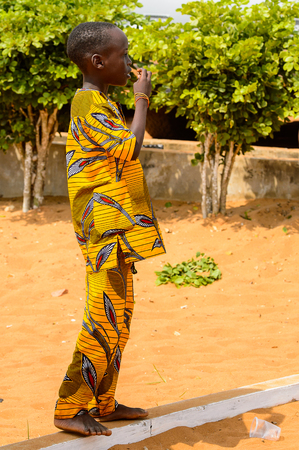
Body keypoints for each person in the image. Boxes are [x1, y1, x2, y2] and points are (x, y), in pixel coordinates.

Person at [54, 22, 166, 437]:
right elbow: (129, 147)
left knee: (119, 319)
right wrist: (142, 100)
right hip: (102, 233)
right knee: (102, 320)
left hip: (115, 232)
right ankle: (68, 408)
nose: (129, 61)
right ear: (98, 62)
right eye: (123, 54)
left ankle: (104, 402)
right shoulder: (87, 104)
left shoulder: (99, 101)